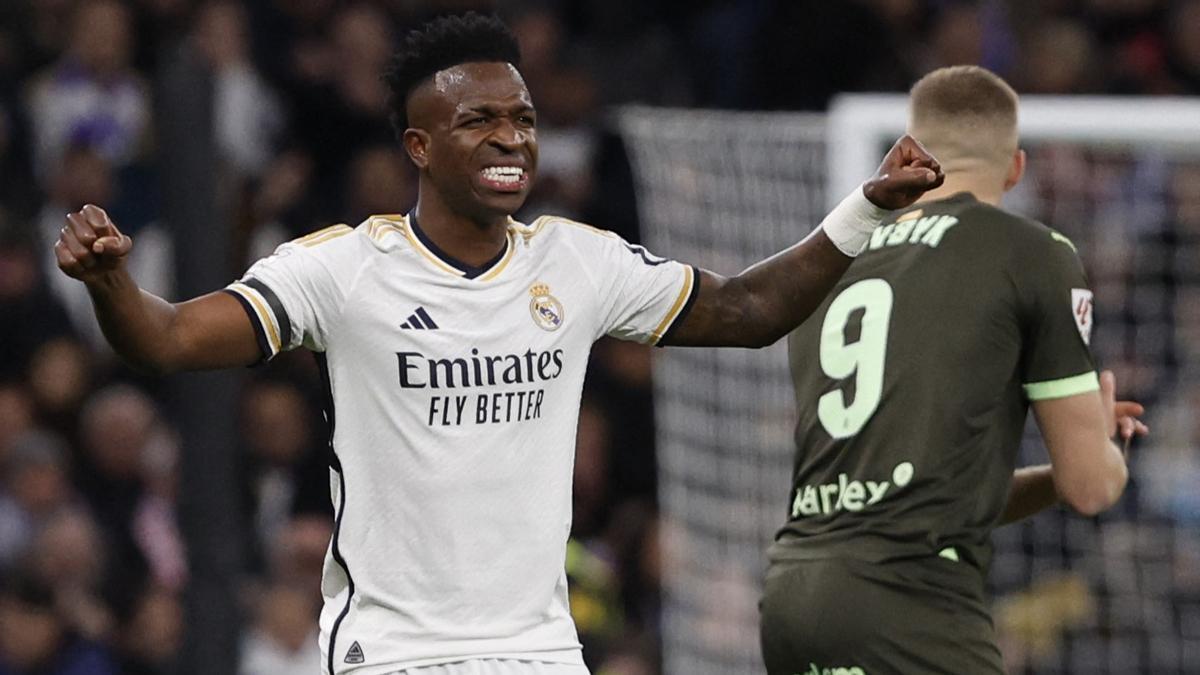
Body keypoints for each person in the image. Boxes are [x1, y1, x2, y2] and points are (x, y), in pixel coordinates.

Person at [52, 13, 943, 675]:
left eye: (520, 117)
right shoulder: (344, 269)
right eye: (480, 120)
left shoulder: (578, 261)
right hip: (394, 651)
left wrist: (865, 209)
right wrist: (110, 285)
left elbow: (748, 310)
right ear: (420, 145)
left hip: (541, 649)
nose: (512, 136)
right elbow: (166, 340)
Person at [759, 65, 1148, 675]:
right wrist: (1102, 450)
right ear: (1015, 168)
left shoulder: (831, 267)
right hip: (910, 599)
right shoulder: (1032, 253)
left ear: (909, 155)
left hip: (794, 595)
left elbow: (919, 493)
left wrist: (1050, 473)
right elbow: (1091, 487)